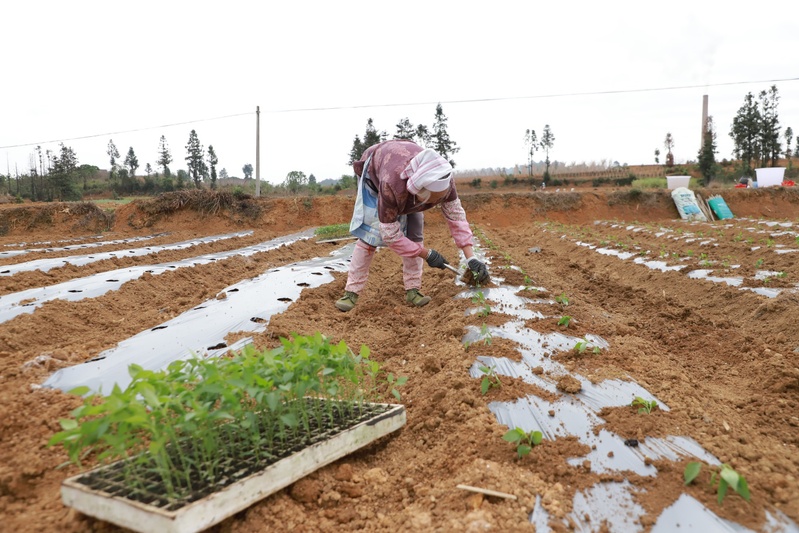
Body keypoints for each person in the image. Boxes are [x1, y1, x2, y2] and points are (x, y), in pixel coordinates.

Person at [335, 139, 489, 312]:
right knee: (369, 236)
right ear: (420, 192)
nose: (438, 202)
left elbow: (456, 216)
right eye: (434, 199)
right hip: (376, 174)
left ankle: (413, 290)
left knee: (415, 234)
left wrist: (471, 258)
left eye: (441, 197)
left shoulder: (443, 177)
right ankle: (351, 292)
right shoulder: (390, 186)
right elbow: (390, 235)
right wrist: (426, 254)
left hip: (406, 175)